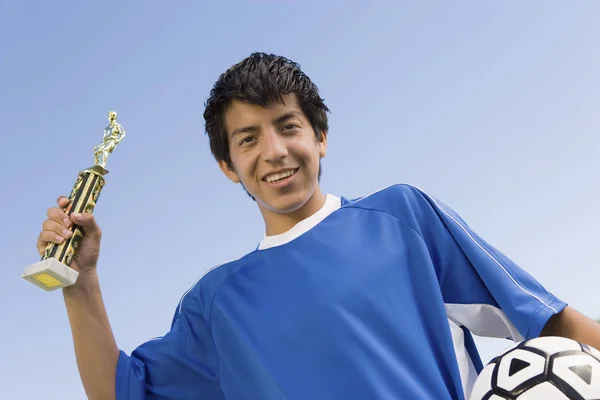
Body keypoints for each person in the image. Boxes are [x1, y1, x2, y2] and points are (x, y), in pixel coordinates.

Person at [36, 53, 600, 400]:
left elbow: (553, 321)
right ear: (228, 166)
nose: (275, 152)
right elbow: (118, 391)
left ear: (320, 137)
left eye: (288, 126)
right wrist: (80, 281)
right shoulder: (216, 305)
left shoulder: (400, 217)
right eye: (248, 139)